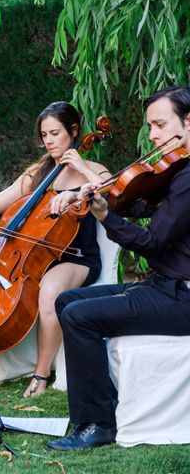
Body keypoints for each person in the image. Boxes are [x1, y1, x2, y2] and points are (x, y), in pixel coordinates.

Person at [47, 86, 190, 451]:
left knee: (80, 316)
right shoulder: (178, 171)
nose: (153, 135)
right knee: (67, 302)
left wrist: (105, 215)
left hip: (182, 297)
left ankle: (97, 425)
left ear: (188, 122)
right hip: (166, 286)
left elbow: (152, 242)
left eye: (159, 125)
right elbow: (142, 206)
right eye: (150, 125)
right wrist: (104, 195)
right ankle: (101, 402)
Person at [0, 101, 111, 397]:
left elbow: (112, 190)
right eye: (44, 134)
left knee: (50, 289)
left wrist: (81, 171)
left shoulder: (94, 170)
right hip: (28, 257)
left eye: (55, 133)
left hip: (75, 257)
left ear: (74, 131)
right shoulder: (39, 172)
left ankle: (41, 373)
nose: (48, 141)